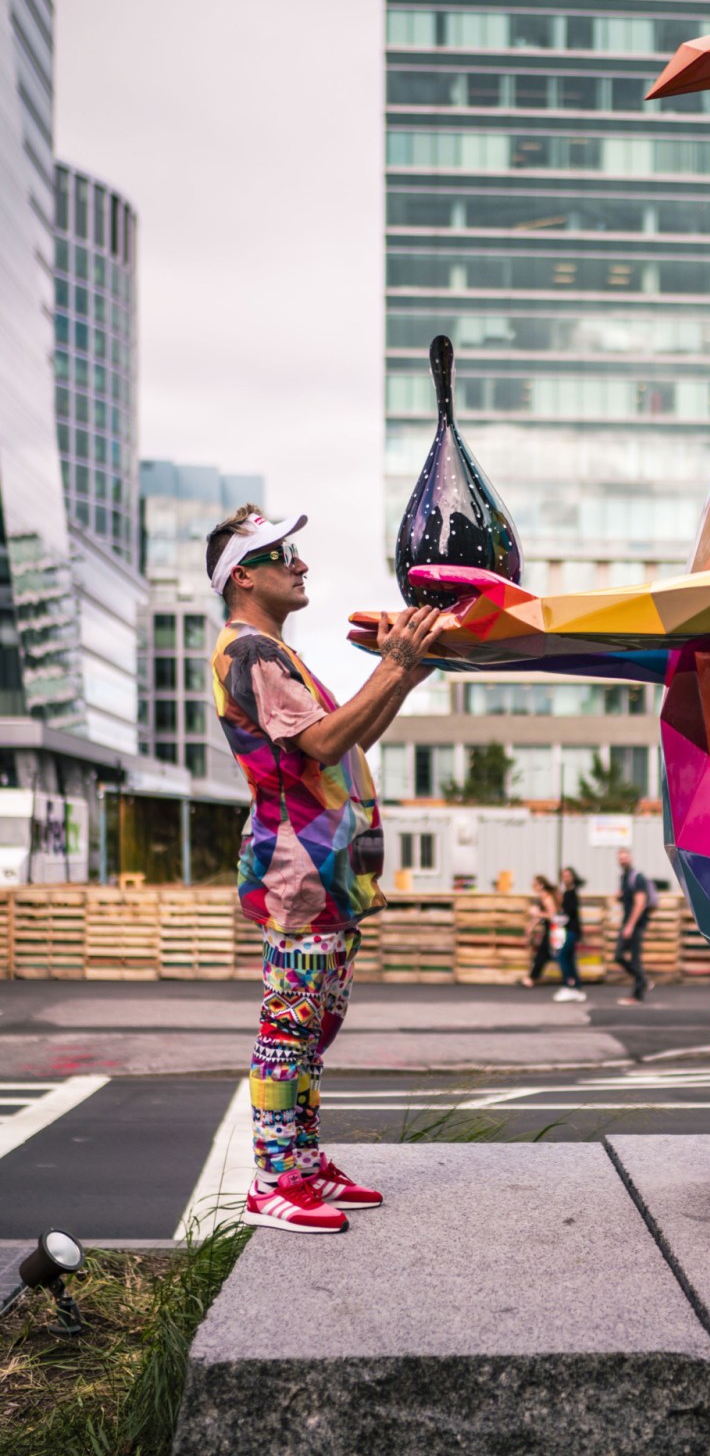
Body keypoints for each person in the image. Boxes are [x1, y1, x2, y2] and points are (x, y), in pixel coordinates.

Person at [206, 504, 444, 1233]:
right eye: (284, 556)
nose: (300, 565)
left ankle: (303, 1165)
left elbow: (350, 737)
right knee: (288, 1027)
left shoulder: (278, 653)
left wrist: (407, 669)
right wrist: (399, 664)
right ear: (243, 576)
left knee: (314, 1025)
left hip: (330, 872)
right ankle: (273, 1181)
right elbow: (323, 742)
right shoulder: (249, 653)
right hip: (299, 870)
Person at [614, 847, 654, 1005]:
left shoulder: (637, 878)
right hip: (628, 922)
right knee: (618, 956)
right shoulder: (624, 877)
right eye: (620, 858)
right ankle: (642, 981)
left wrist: (630, 926)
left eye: (625, 857)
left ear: (631, 859)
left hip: (636, 923)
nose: (623, 860)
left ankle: (637, 994)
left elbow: (640, 903)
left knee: (634, 959)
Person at [553, 866, 587, 1003]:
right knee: (570, 959)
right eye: (564, 875)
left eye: (568, 875)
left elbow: (569, 914)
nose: (566, 878)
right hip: (569, 930)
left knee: (562, 957)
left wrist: (556, 919)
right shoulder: (567, 893)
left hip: (571, 931)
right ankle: (577, 988)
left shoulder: (571, 894)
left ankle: (569, 985)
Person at [521, 875, 559, 987]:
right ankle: (533, 977)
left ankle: (532, 978)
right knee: (544, 953)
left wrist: (538, 914)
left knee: (543, 953)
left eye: (535, 884)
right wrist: (531, 926)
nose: (534, 887)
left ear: (541, 885)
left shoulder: (547, 898)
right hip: (547, 928)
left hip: (553, 929)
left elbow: (553, 915)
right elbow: (538, 917)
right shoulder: (541, 898)